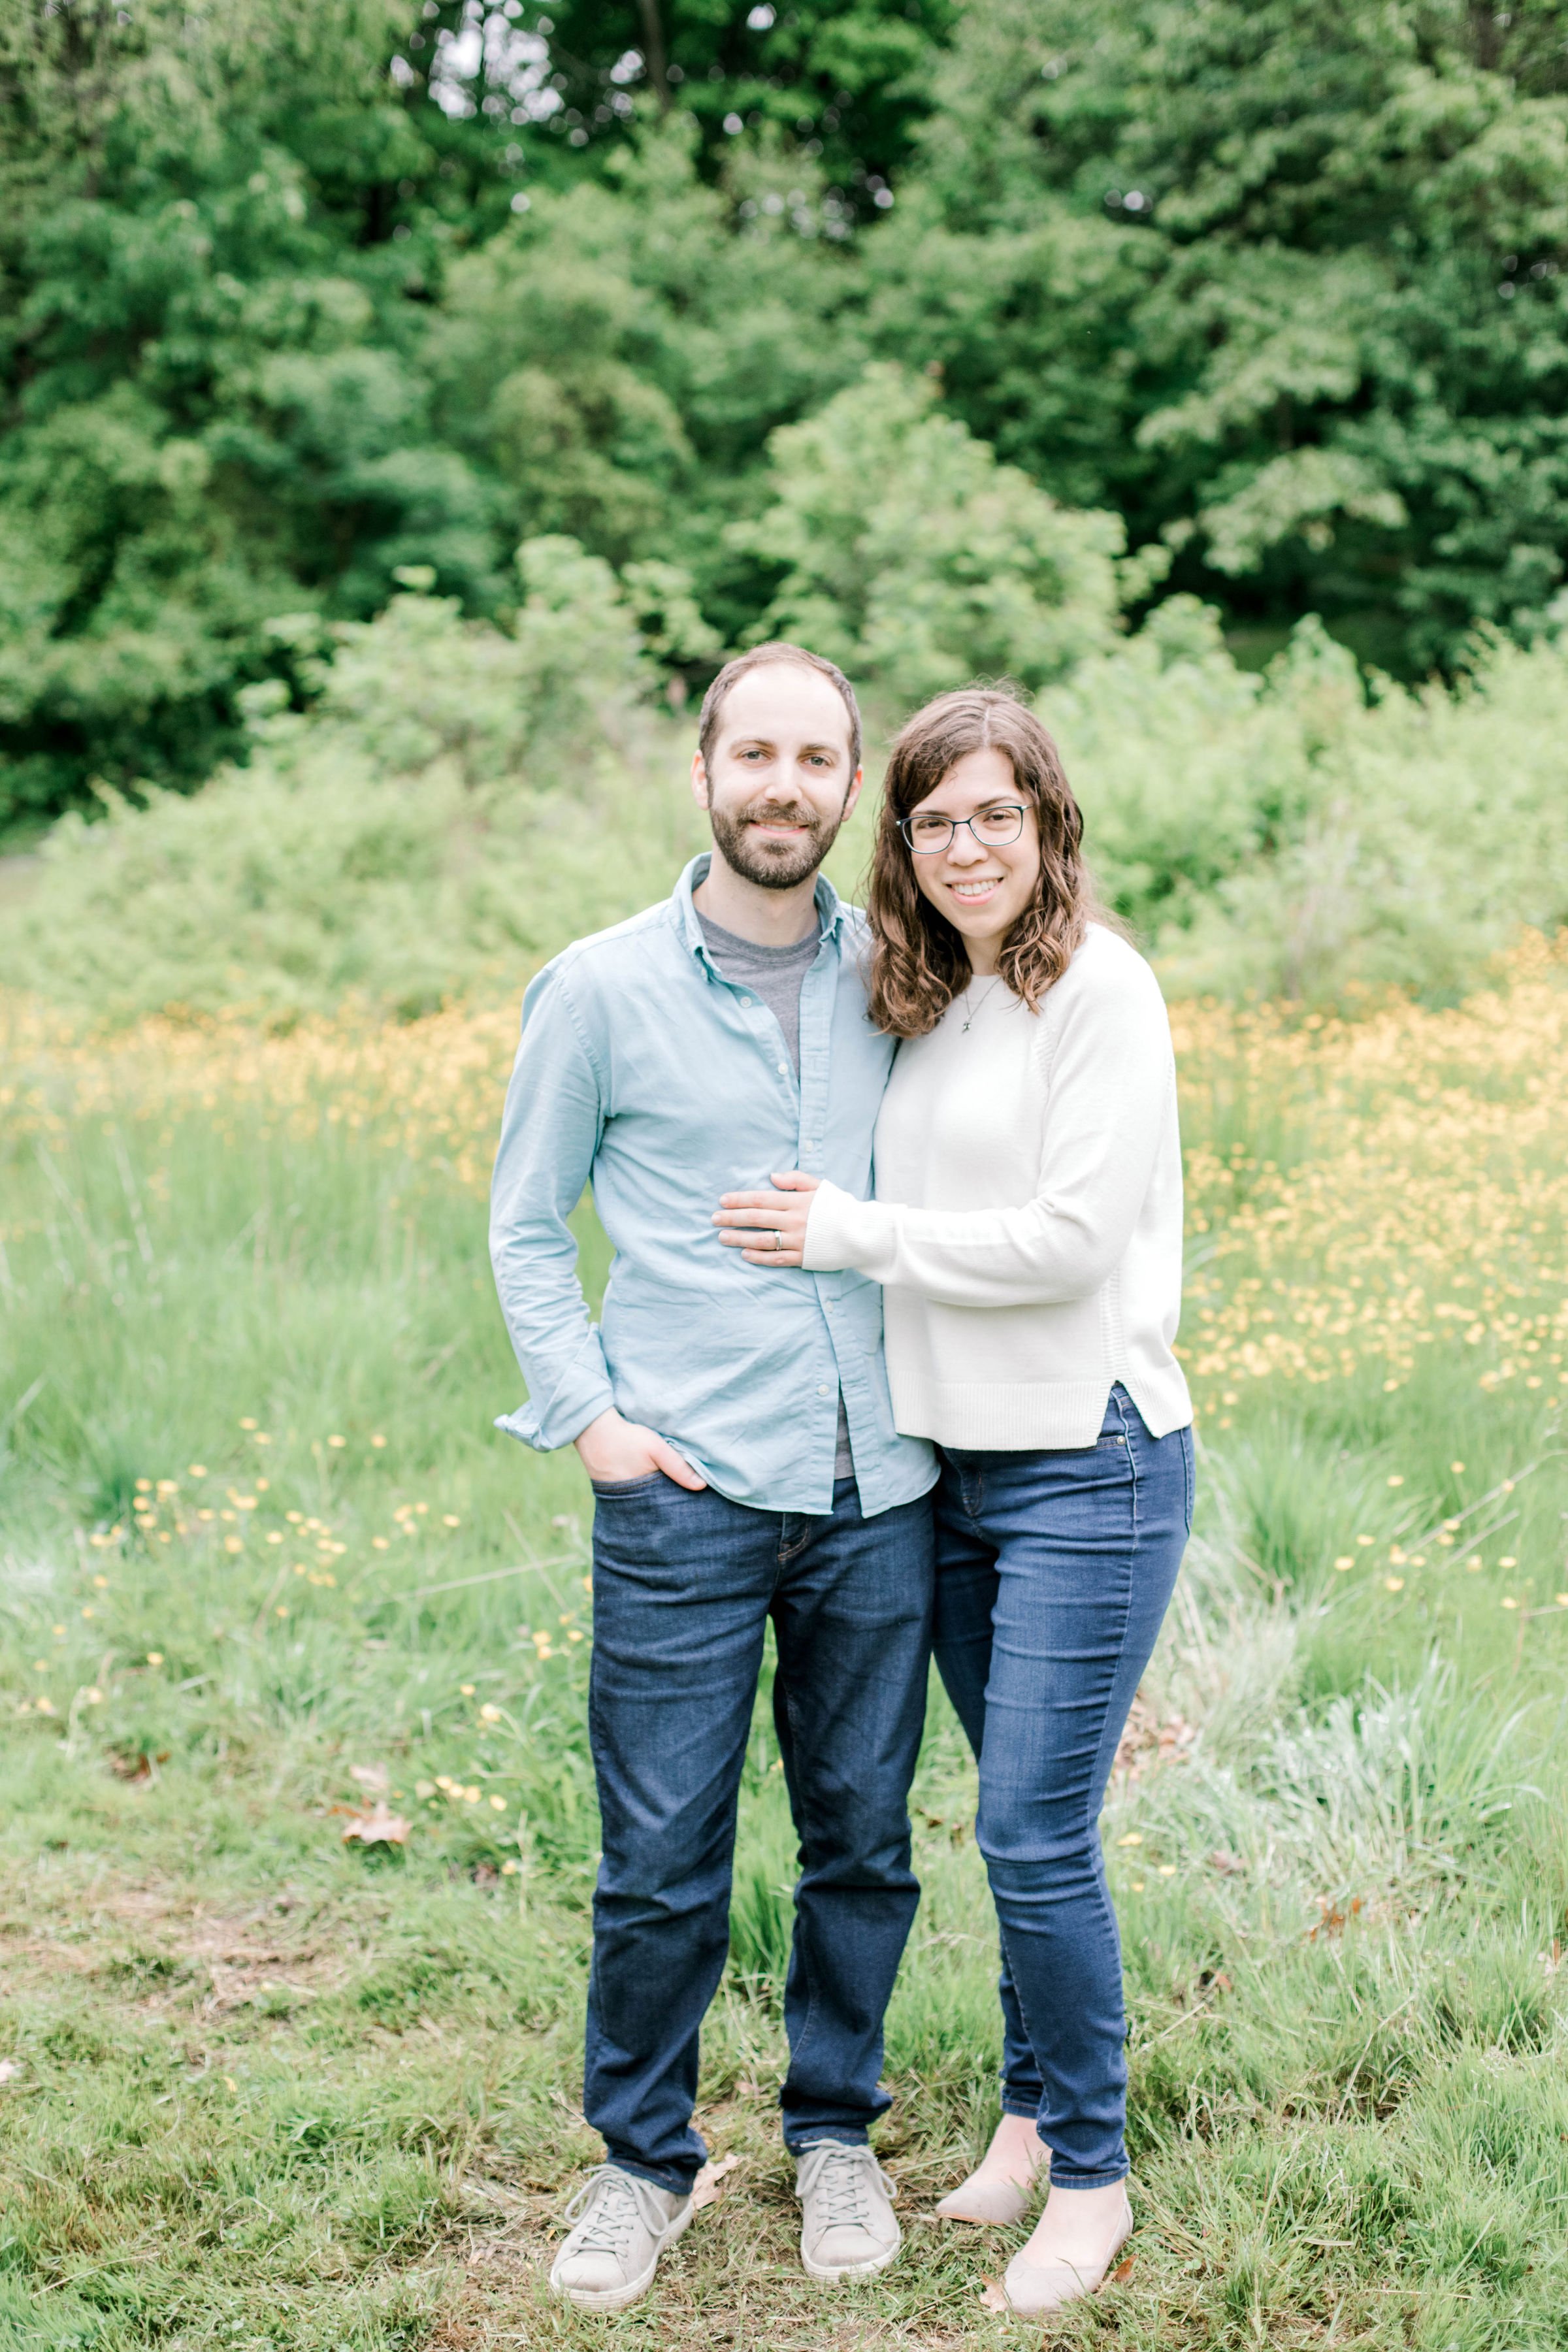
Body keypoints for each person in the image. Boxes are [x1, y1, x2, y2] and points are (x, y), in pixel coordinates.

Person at [713, 685, 1194, 2318]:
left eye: (996, 811)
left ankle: (1097, 2176)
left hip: (1090, 1457)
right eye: (932, 821)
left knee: (1031, 1832)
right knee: (1016, 1822)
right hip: (956, 1471)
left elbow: (1068, 1242)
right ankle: (1029, 2115)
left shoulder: (1101, 992)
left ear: (1046, 820)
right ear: (901, 846)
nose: (966, 843)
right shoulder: (936, 994)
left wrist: (851, 1233)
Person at [489, 644, 936, 2315]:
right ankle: (641, 2164)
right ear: (704, 769)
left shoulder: (900, 973)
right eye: (756, 753)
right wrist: (590, 1420)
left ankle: (836, 2134)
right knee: (664, 1848)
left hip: (880, 1482)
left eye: (817, 760)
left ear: (848, 782)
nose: (785, 787)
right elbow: (527, 1222)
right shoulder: (599, 988)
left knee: (863, 1838)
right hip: (680, 1480)